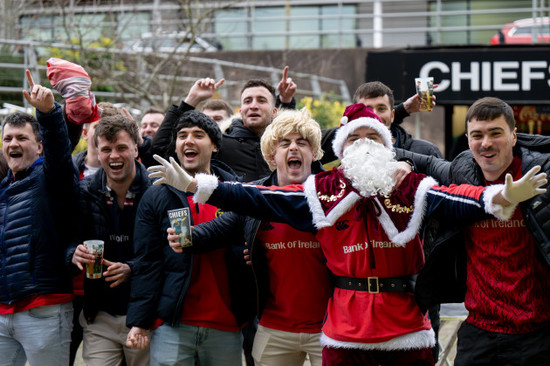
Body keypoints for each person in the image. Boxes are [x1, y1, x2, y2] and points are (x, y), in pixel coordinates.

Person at [149, 103, 546, 366]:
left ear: (389, 147)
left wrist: (504, 194)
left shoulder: (411, 186)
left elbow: (458, 196)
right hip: (344, 330)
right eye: (354, 139)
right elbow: (259, 196)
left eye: (373, 138)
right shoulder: (320, 194)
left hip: (406, 326)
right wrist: (199, 186)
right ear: (340, 149)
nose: (364, 146)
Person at [395, 97, 550, 365]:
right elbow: (422, 161)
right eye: (477, 135)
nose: (486, 143)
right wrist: (406, 164)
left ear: (514, 137)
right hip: (478, 333)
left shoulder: (542, 173)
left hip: (538, 333)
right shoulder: (462, 172)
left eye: (495, 133)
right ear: (468, 140)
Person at [169, 108, 331, 366]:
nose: (293, 148)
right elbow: (219, 229)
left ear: (314, 153)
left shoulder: (331, 196)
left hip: (329, 328)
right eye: (284, 143)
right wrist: (185, 238)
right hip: (275, 328)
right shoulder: (253, 196)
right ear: (271, 154)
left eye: (302, 142)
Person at [125, 111, 254, 365]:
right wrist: (139, 321)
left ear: (215, 145)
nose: (188, 141)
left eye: (198, 135)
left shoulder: (239, 192)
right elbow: (147, 261)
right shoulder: (156, 195)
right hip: (173, 324)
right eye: (182, 136)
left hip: (226, 324)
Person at [0, 70, 78, 365]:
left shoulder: (52, 177)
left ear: (39, 145)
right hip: (3, 311)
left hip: (43, 308)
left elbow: (60, 151)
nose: (13, 144)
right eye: (7, 138)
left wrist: (48, 113)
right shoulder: (3, 188)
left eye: (22, 138)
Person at [69, 114, 151, 366]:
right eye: (106, 149)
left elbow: (167, 255)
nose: (114, 155)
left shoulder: (157, 192)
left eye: (121, 148)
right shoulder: (84, 192)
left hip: (146, 315)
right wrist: (72, 252)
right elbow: (65, 239)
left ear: (136, 149)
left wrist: (131, 269)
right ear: (96, 150)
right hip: (100, 314)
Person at [353, 81, 443, 158]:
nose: (375, 115)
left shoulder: (427, 152)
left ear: (392, 116)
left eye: (381, 109)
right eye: (367, 109)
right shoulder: (347, 153)